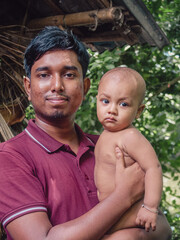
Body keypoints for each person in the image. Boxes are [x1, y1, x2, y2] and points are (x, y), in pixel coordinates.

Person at [0, 26, 171, 240]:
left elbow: (161, 226)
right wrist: (124, 196)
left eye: (69, 75)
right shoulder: (11, 156)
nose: (57, 85)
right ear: (27, 86)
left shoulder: (108, 146)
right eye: (44, 75)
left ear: (85, 86)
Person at [95, 67, 163, 234]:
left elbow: (153, 168)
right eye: (105, 101)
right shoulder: (105, 134)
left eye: (123, 104)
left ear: (138, 111)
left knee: (96, 233)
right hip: (112, 207)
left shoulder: (130, 136)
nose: (112, 110)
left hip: (132, 209)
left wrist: (150, 207)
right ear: (96, 100)